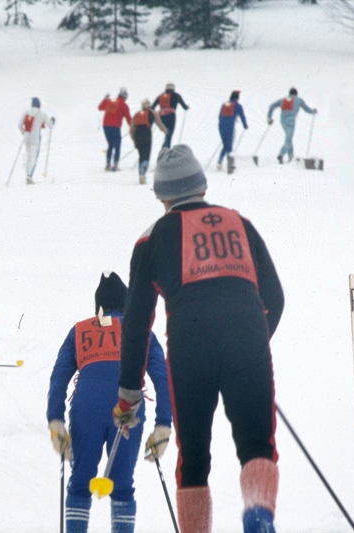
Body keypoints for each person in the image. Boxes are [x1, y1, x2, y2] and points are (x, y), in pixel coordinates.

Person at [114, 145, 285, 533]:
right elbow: (274, 298)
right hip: (247, 336)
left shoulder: (151, 238)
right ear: (202, 186)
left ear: (161, 195)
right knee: (258, 444)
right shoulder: (240, 223)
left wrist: (129, 393)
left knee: (192, 458)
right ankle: (258, 516)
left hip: (190, 345)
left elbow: (137, 322)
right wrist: (253, 344)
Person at [47, 272, 172, 533]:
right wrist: (163, 423)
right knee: (122, 486)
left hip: (86, 406)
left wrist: (55, 420)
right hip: (129, 407)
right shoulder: (140, 330)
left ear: (99, 307)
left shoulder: (79, 330)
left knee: (80, 482)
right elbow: (163, 376)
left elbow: (59, 376)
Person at [267, 87, 317, 162]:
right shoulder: (298, 100)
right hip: (291, 121)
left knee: (289, 138)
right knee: (288, 139)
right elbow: (306, 109)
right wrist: (313, 111)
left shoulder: (283, 100)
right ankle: (281, 154)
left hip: (282, 121)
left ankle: (291, 158)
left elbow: (272, 106)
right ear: (296, 94)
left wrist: (269, 117)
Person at [130, 99, 167, 185]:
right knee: (146, 156)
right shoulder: (152, 112)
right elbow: (159, 123)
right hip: (147, 135)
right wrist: (165, 131)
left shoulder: (137, 114)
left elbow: (132, 129)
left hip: (137, 135)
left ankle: (140, 174)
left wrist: (134, 140)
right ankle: (143, 173)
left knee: (141, 156)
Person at [18, 97, 55, 184]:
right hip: (36, 137)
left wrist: (23, 132)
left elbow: (19, 124)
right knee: (33, 156)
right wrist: (53, 121)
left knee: (28, 156)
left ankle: (27, 174)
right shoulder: (42, 113)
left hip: (27, 137)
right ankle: (29, 176)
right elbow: (50, 126)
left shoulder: (26, 113)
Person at [98, 88, 132, 171]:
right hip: (115, 127)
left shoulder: (109, 101)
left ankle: (108, 164)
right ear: (124, 97)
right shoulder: (124, 105)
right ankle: (115, 165)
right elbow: (128, 119)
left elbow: (100, 108)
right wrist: (134, 127)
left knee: (110, 145)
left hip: (106, 126)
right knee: (117, 146)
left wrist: (104, 99)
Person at [217, 91, 248, 173]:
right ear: (237, 98)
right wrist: (245, 125)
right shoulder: (238, 105)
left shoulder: (224, 104)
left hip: (221, 126)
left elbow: (219, 116)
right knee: (229, 145)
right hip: (230, 127)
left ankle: (219, 161)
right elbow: (242, 116)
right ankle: (230, 164)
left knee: (225, 145)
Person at [152, 82, 189, 149]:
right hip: (171, 115)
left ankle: (164, 147)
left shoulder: (160, 96)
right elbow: (184, 106)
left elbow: (152, 107)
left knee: (167, 133)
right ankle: (166, 148)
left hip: (161, 117)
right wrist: (187, 107)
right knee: (169, 133)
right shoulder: (176, 95)